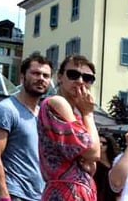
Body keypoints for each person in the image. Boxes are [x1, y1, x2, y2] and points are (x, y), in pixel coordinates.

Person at [0, 52, 51, 201]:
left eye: (46, 76)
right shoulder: (6, 110)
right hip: (13, 193)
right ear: (22, 77)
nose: (41, 78)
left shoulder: (43, 115)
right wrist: (4, 196)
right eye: (35, 73)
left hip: (38, 196)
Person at [38, 54, 100, 201]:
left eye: (87, 78)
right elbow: (93, 153)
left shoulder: (75, 115)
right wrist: (88, 114)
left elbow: (92, 166)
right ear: (60, 77)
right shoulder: (57, 102)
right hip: (66, 192)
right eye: (73, 75)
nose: (80, 81)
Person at [94, 133, 119, 201]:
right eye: (98, 142)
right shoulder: (93, 161)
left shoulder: (115, 161)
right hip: (97, 195)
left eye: (104, 143)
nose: (100, 145)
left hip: (113, 194)